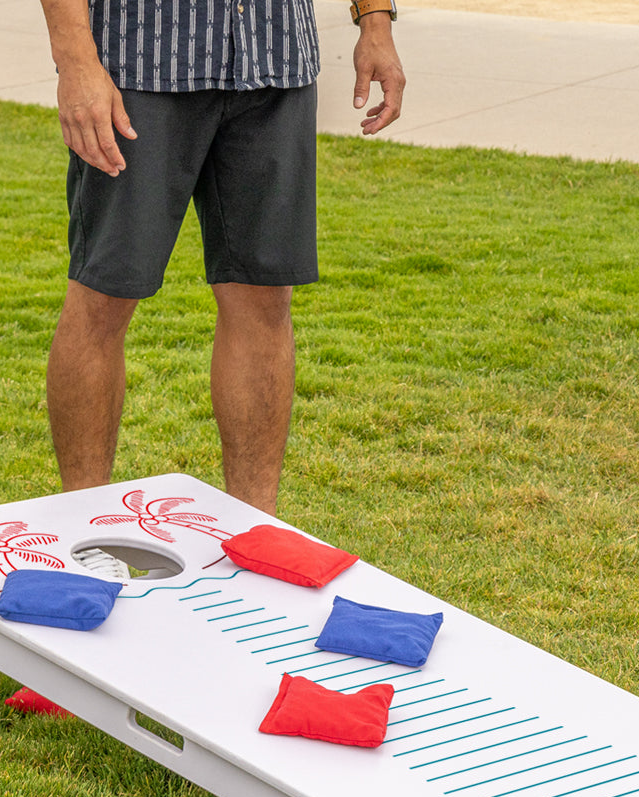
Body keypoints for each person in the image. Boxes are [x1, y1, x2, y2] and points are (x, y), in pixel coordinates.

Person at [37, 0, 406, 545]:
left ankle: (255, 533)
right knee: (103, 297)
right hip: (142, 66)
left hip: (275, 60)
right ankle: (84, 536)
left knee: (264, 301)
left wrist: (375, 21)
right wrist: (76, 61)